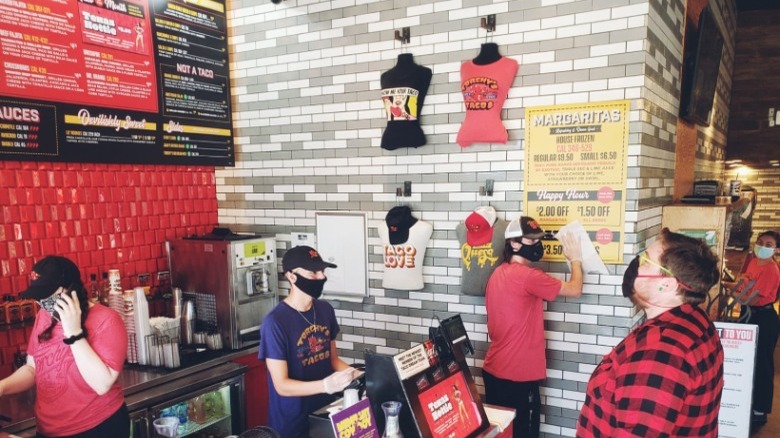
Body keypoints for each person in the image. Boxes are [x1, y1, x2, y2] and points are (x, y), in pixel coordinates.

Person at [577, 228, 723, 437]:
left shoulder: (661, 353)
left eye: (646, 260)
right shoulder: (694, 321)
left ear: (667, 284)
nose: (637, 264)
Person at [0, 256, 129, 437]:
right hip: (48, 430)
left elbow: (102, 384)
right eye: (39, 296)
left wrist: (74, 332)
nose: (42, 302)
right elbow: (32, 368)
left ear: (71, 290)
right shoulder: (44, 317)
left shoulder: (107, 320)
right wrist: (2, 386)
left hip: (97, 427)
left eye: (47, 294)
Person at [483, 216, 583, 437]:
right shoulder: (529, 277)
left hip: (493, 370)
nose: (537, 245)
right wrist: (575, 259)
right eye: (531, 240)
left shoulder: (497, 273)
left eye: (538, 239)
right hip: (518, 377)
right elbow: (575, 289)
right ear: (514, 243)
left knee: (500, 434)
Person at [259, 245, 358, 438]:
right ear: (291, 276)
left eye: (322, 271)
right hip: (292, 424)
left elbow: (333, 360)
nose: (321, 277)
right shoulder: (275, 322)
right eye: (313, 272)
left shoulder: (325, 310)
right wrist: (325, 385)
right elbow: (282, 385)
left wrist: (361, 376)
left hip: (324, 414)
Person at [727, 230, 780, 427]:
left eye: (768, 244)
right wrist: (731, 287)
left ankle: (760, 411)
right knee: (750, 363)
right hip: (748, 313)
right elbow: (744, 285)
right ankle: (748, 404)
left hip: (764, 318)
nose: (762, 247)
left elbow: (756, 297)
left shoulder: (772, 269)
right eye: (760, 242)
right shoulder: (753, 261)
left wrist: (732, 295)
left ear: (776, 249)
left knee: (763, 365)